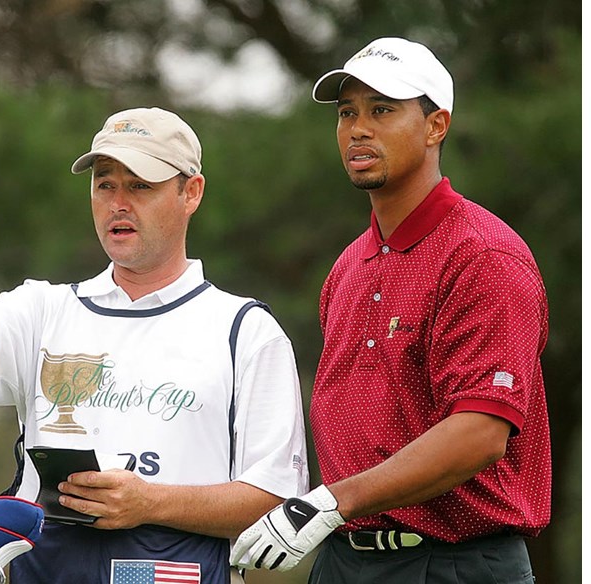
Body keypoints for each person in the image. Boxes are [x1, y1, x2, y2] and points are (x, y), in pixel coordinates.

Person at [0, 106, 309, 583]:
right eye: (105, 184)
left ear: (190, 192)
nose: (118, 202)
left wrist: (150, 502)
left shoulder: (246, 329)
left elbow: (275, 499)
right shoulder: (47, 307)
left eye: (140, 185)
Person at [230, 37, 551, 583]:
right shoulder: (349, 266)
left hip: (456, 563)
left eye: (382, 110)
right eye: (347, 113)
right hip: (344, 558)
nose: (358, 128)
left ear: (435, 126)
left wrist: (331, 501)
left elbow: (480, 431)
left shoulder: (482, 256)